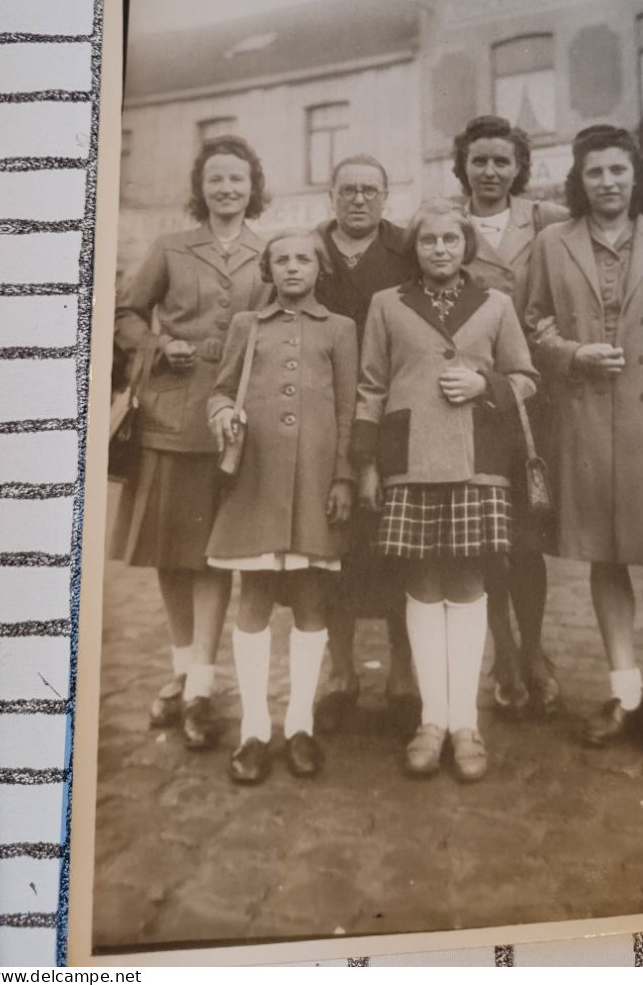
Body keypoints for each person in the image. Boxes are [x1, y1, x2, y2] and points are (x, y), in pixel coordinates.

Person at [525, 125, 643, 754]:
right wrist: (573, 353)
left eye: (618, 171)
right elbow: (532, 327)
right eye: (594, 173)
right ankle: (623, 691)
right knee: (606, 556)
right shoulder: (555, 243)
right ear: (579, 183)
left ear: (637, 176)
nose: (607, 182)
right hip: (587, 419)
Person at [353, 199, 537, 782]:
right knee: (423, 585)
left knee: (468, 583)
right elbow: (370, 387)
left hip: (476, 460)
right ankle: (431, 720)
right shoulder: (387, 304)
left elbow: (526, 378)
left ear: (466, 246)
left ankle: (466, 724)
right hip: (407, 460)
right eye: (428, 240)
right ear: (416, 248)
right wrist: (365, 464)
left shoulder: (496, 304)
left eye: (450, 240)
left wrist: (485, 382)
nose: (439, 250)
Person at [112, 135, 270, 749]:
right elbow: (127, 313)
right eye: (215, 180)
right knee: (170, 552)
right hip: (172, 415)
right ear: (199, 188)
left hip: (233, 419)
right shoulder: (171, 248)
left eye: (237, 179)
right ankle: (183, 671)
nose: (227, 189)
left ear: (254, 187)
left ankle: (203, 683)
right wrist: (157, 346)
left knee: (212, 552)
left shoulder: (268, 252)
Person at [206, 230, 358, 784]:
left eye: (304, 259)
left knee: (312, 602)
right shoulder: (248, 325)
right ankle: (253, 728)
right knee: (254, 601)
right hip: (256, 480)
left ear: (320, 268)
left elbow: (346, 410)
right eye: (282, 260)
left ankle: (300, 724)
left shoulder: (340, 330)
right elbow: (221, 390)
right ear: (268, 269)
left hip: (316, 484)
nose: (293, 268)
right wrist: (222, 414)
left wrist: (342, 475)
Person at [451, 115, 568, 719]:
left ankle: (536, 650)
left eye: (502, 161)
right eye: (480, 161)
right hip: (466, 397)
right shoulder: (446, 224)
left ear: (520, 166)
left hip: (527, 397)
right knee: (482, 537)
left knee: (526, 538)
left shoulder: (545, 221)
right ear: (463, 167)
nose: (491, 172)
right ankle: (502, 654)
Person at [310, 155, 420, 737]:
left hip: (392, 415)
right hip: (323, 414)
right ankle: (342, 673)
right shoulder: (309, 250)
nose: (359, 200)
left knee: (399, 548)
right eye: (348, 189)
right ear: (331, 194)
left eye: (370, 191)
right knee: (332, 554)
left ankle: (404, 675)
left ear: (385, 195)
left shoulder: (407, 249)